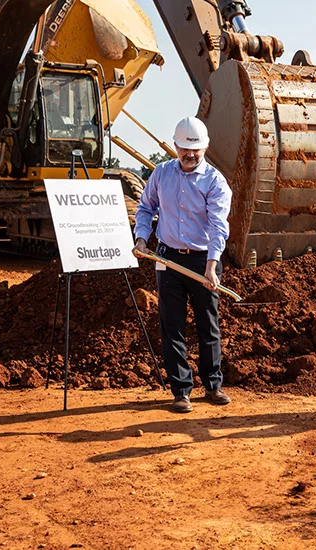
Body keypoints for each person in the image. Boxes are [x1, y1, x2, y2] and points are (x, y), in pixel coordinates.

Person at [133, 116, 233, 413]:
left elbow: (219, 227)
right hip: (167, 258)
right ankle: (181, 391)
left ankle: (213, 385)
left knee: (207, 324)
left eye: (196, 150)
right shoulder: (161, 173)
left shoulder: (215, 181)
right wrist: (141, 239)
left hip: (203, 260)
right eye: (184, 149)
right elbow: (145, 207)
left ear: (205, 148)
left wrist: (212, 266)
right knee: (172, 325)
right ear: (175, 145)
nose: (190, 155)